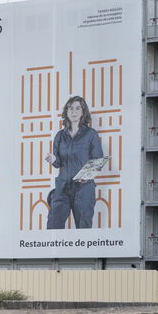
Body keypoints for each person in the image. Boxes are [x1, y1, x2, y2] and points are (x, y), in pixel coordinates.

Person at [44, 95, 106, 229]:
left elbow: (97, 160)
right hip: (63, 187)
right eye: (70, 108)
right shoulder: (60, 135)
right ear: (66, 112)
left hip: (84, 189)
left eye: (78, 108)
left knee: (83, 228)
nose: (74, 111)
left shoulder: (91, 134)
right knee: (53, 225)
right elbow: (58, 163)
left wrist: (86, 175)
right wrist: (54, 159)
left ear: (83, 112)